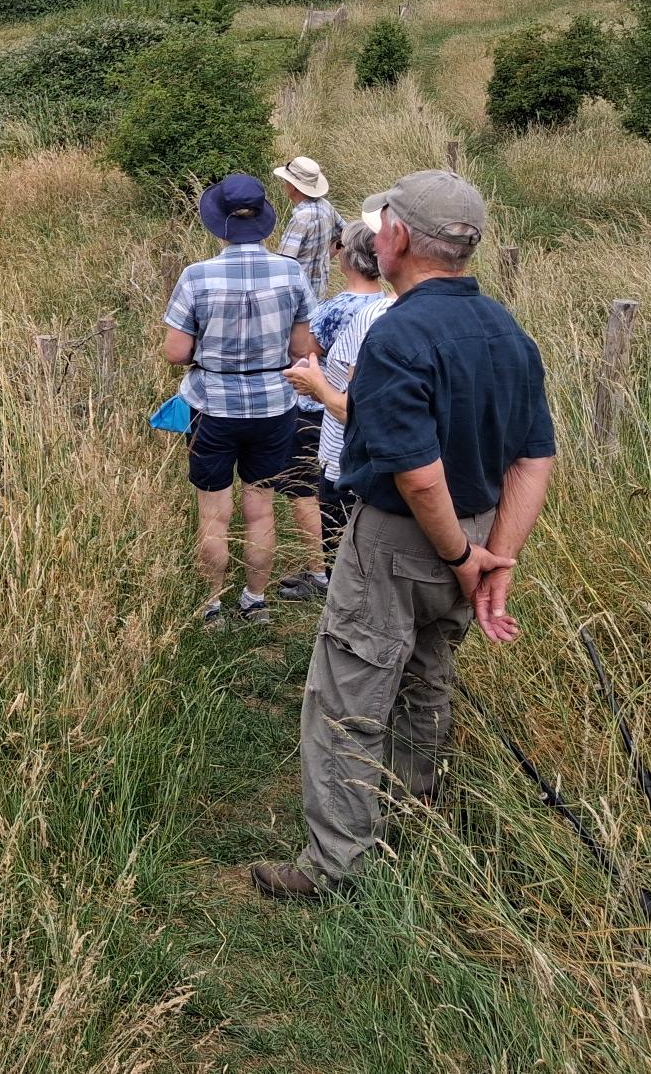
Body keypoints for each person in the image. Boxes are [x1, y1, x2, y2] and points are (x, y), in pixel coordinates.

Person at [252, 171, 556, 899]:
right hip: (477, 530)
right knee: (427, 676)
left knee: (350, 690)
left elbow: (418, 476)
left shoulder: (400, 335)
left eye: (382, 222)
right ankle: (409, 816)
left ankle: (334, 866)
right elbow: (533, 458)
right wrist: (494, 559)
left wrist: (459, 553)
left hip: (403, 539)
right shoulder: (507, 332)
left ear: (395, 237)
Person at [162, 174, 320, 631]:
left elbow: (176, 352)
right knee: (261, 506)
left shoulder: (197, 276)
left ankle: (212, 604)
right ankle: (255, 600)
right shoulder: (290, 272)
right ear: (264, 222)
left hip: (212, 404)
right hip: (274, 404)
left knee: (214, 511)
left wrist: (207, 351)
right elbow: (302, 346)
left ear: (220, 226)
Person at [279, 219, 392, 597]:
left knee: (310, 487)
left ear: (347, 258)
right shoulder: (389, 305)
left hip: (326, 410)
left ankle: (324, 573)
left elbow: (304, 351)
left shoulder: (333, 309)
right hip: (368, 427)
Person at [273, 156, 344, 301]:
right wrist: (324, 257)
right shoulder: (325, 205)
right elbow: (345, 234)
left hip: (299, 298)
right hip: (320, 294)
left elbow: (284, 264)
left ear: (293, 186)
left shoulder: (301, 218)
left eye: (286, 181)